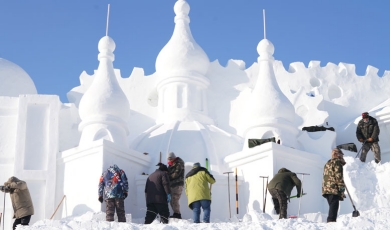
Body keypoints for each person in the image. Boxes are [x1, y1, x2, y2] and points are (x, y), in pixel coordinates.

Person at [322, 148, 346, 223]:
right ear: (338, 155)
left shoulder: (328, 163)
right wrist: (341, 188)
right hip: (333, 188)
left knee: (332, 206)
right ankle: (331, 222)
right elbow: (338, 176)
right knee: (334, 206)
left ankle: (331, 221)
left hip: (326, 189)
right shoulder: (337, 163)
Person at [167, 152, 185, 219]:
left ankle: (177, 214)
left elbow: (176, 174)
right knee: (172, 200)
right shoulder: (171, 164)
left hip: (177, 184)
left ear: (173, 157)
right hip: (172, 185)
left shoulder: (179, 163)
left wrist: (167, 176)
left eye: (170, 158)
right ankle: (176, 213)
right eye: (168, 159)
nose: (169, 160)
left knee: (175, 199)